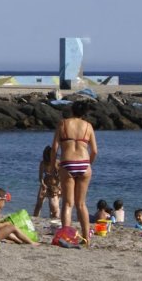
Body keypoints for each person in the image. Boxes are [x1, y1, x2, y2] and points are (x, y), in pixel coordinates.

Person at [53, 101, 98, 244]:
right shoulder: (88, 126)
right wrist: (88, 164)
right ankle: (86, 238)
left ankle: (66, 236)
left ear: (72, 110)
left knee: (67, 203)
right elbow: (95, 151)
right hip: (84, 163)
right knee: (81, 204)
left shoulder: (63, 124)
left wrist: (53, 164)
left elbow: (54, 148)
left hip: (67, 162)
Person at [33, 146, 61, 220]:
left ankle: (54, 219)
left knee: (54, 207)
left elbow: (61, 177)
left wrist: (58, 187)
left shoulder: (58, 163)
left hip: (55, 186)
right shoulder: (43, 163)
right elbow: (40, 176)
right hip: (45, 184)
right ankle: (35, 219)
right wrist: (43, 184)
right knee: (39, 204)